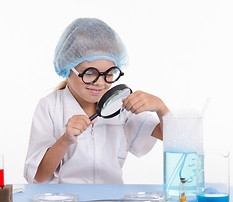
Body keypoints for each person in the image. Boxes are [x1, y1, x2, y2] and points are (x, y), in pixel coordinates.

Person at [24, 18, 169, 184]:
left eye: (109, 73)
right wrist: (65, 140)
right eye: (90, 72)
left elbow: (173, 139)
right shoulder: (50, 107)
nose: (100, 82)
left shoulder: (121, 106)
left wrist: (160, 108)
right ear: (68, 68)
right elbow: (38, 176)